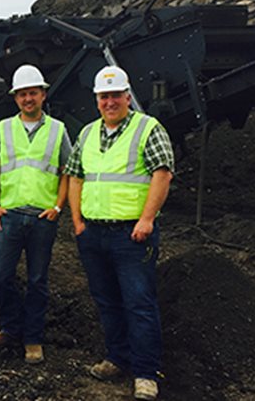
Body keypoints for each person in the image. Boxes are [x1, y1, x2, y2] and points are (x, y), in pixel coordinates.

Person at [64, 65, 174, 401]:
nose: (109, 102)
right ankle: (117, 357)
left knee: (139, 303)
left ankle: (145, 373)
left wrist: (147, 219)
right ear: (96, 99)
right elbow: (75, 177)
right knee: (107, 300)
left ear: (127, 96)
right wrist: (77, 222)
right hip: (93, 233)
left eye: (115, 95)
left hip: (131, 235)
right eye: (104, 97)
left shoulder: (147, 128)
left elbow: (162, 174)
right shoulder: (87, 133)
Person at [0, 64, 71, 365]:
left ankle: (33, 339)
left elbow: (67, 172)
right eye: (22, 94)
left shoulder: (58, 130)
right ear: (15, 98)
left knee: (37, 280)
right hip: (10, 216)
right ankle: (10, 328)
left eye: (32, 93)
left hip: (43, 218)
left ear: (43, 95)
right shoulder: (3, 129)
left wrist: (58, 207)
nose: (27, 99)